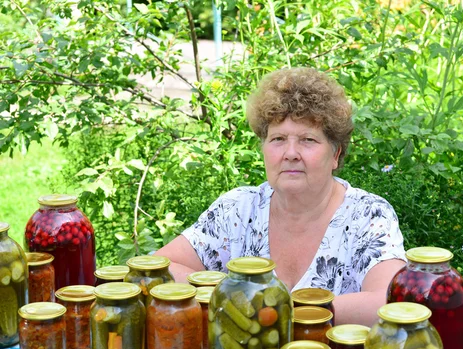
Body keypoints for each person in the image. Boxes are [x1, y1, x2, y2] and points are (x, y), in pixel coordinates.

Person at [155, 67, 406, 326]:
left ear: (335, 155)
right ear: (263, 149)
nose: (291, 153)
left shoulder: (369, 215)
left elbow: (390, 300)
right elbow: (159, 268)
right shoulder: (237, 210)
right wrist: (232, 298)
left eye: (308, 139)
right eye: (278, 139)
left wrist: (279, 311)